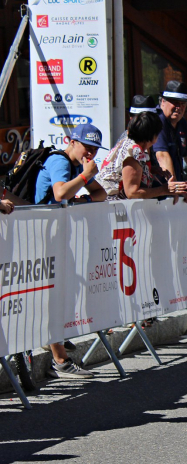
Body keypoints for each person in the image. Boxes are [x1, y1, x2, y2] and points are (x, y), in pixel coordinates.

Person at [33, 124, 110, 379]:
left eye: (95, 150)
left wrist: (83, 199)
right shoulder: (61, 161)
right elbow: (59, 193)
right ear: (72, 142)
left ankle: (54, 340)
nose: (91, 154)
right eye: (87, 147)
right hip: (41, 237)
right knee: (52, 296)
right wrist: (85, 177)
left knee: (61, 292)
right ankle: (60, 360)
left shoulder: (77, 165)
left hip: (55, 238)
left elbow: (102, 193)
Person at [97, 111, 187, 203]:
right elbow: (132, 192)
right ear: (153, 136)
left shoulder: (128, 142)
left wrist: (150, 169)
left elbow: (126, 171)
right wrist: (164, 189)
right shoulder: (133, 154)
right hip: (114, 208)